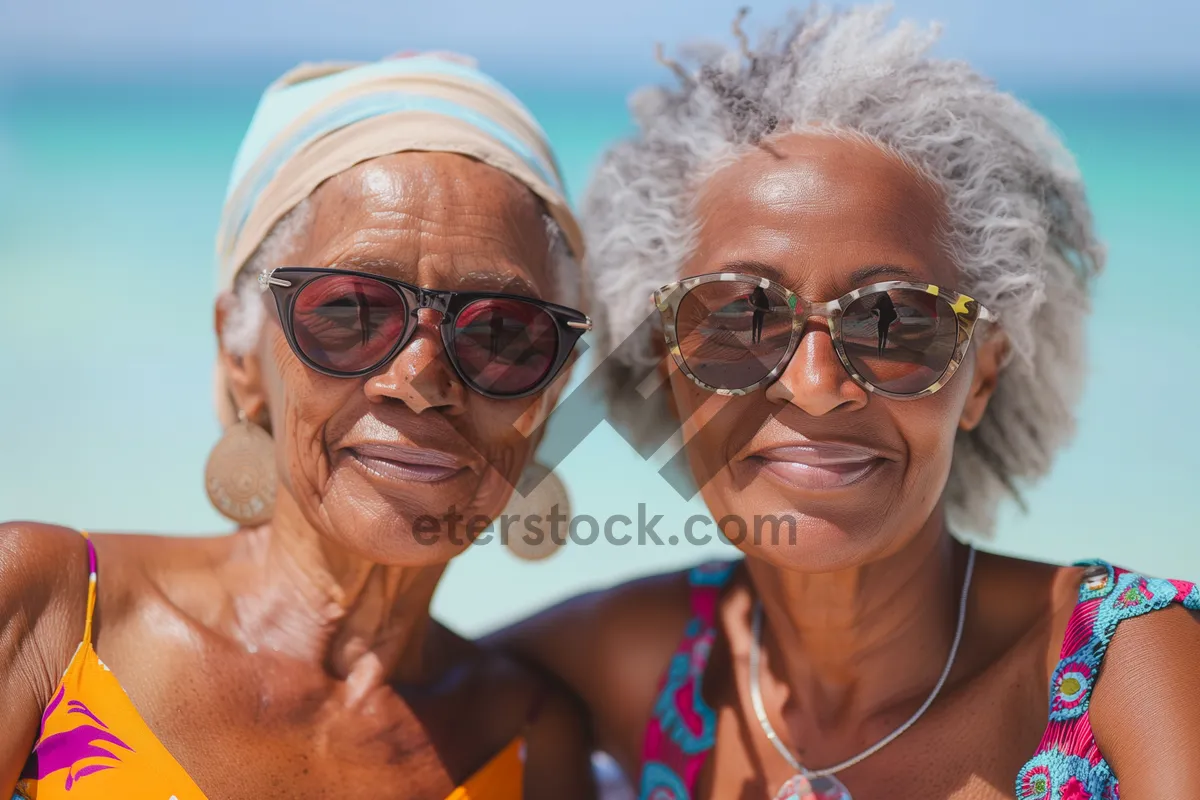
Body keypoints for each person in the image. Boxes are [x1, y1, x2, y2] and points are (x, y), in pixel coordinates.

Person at [496, 7, 1200, 799]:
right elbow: (366, 686)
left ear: (985, 379)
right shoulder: (640, 660)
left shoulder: (1130, 669)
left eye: (893, 320)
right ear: (665, 366)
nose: (816, 385)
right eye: (738, 318)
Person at [1, 52, 596, 800]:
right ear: (240, 350)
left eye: (503, 334)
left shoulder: (529, 735)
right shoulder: (52, 614)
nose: (419, 381)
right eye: (350, 312)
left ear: (554, 389)